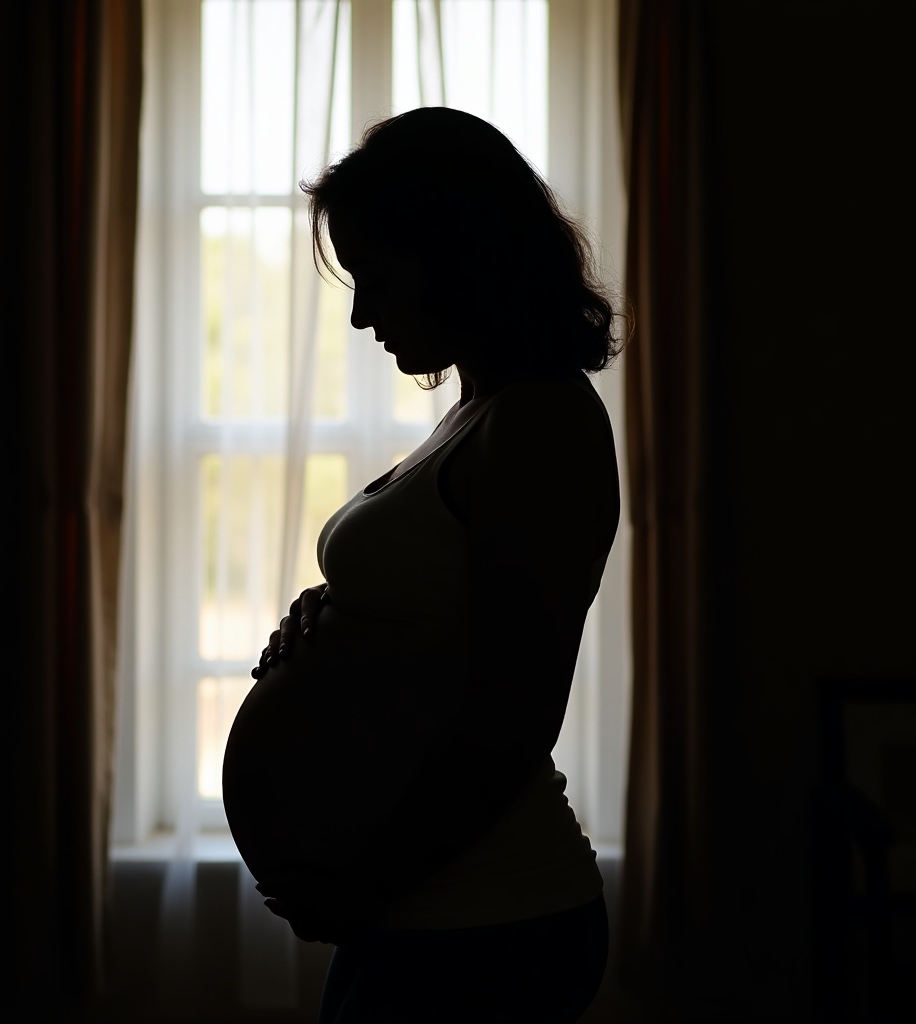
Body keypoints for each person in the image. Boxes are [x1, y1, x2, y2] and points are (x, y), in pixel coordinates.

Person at [222, 106, 623, 1024]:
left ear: (462, 258)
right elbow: (439, 631)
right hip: (425, 914)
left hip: (488, 920)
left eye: (379, 279)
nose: (363, 315)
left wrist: (364, 883)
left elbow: (515, 712)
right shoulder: (480, 412)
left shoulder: (543, 426)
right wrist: (337, 628)